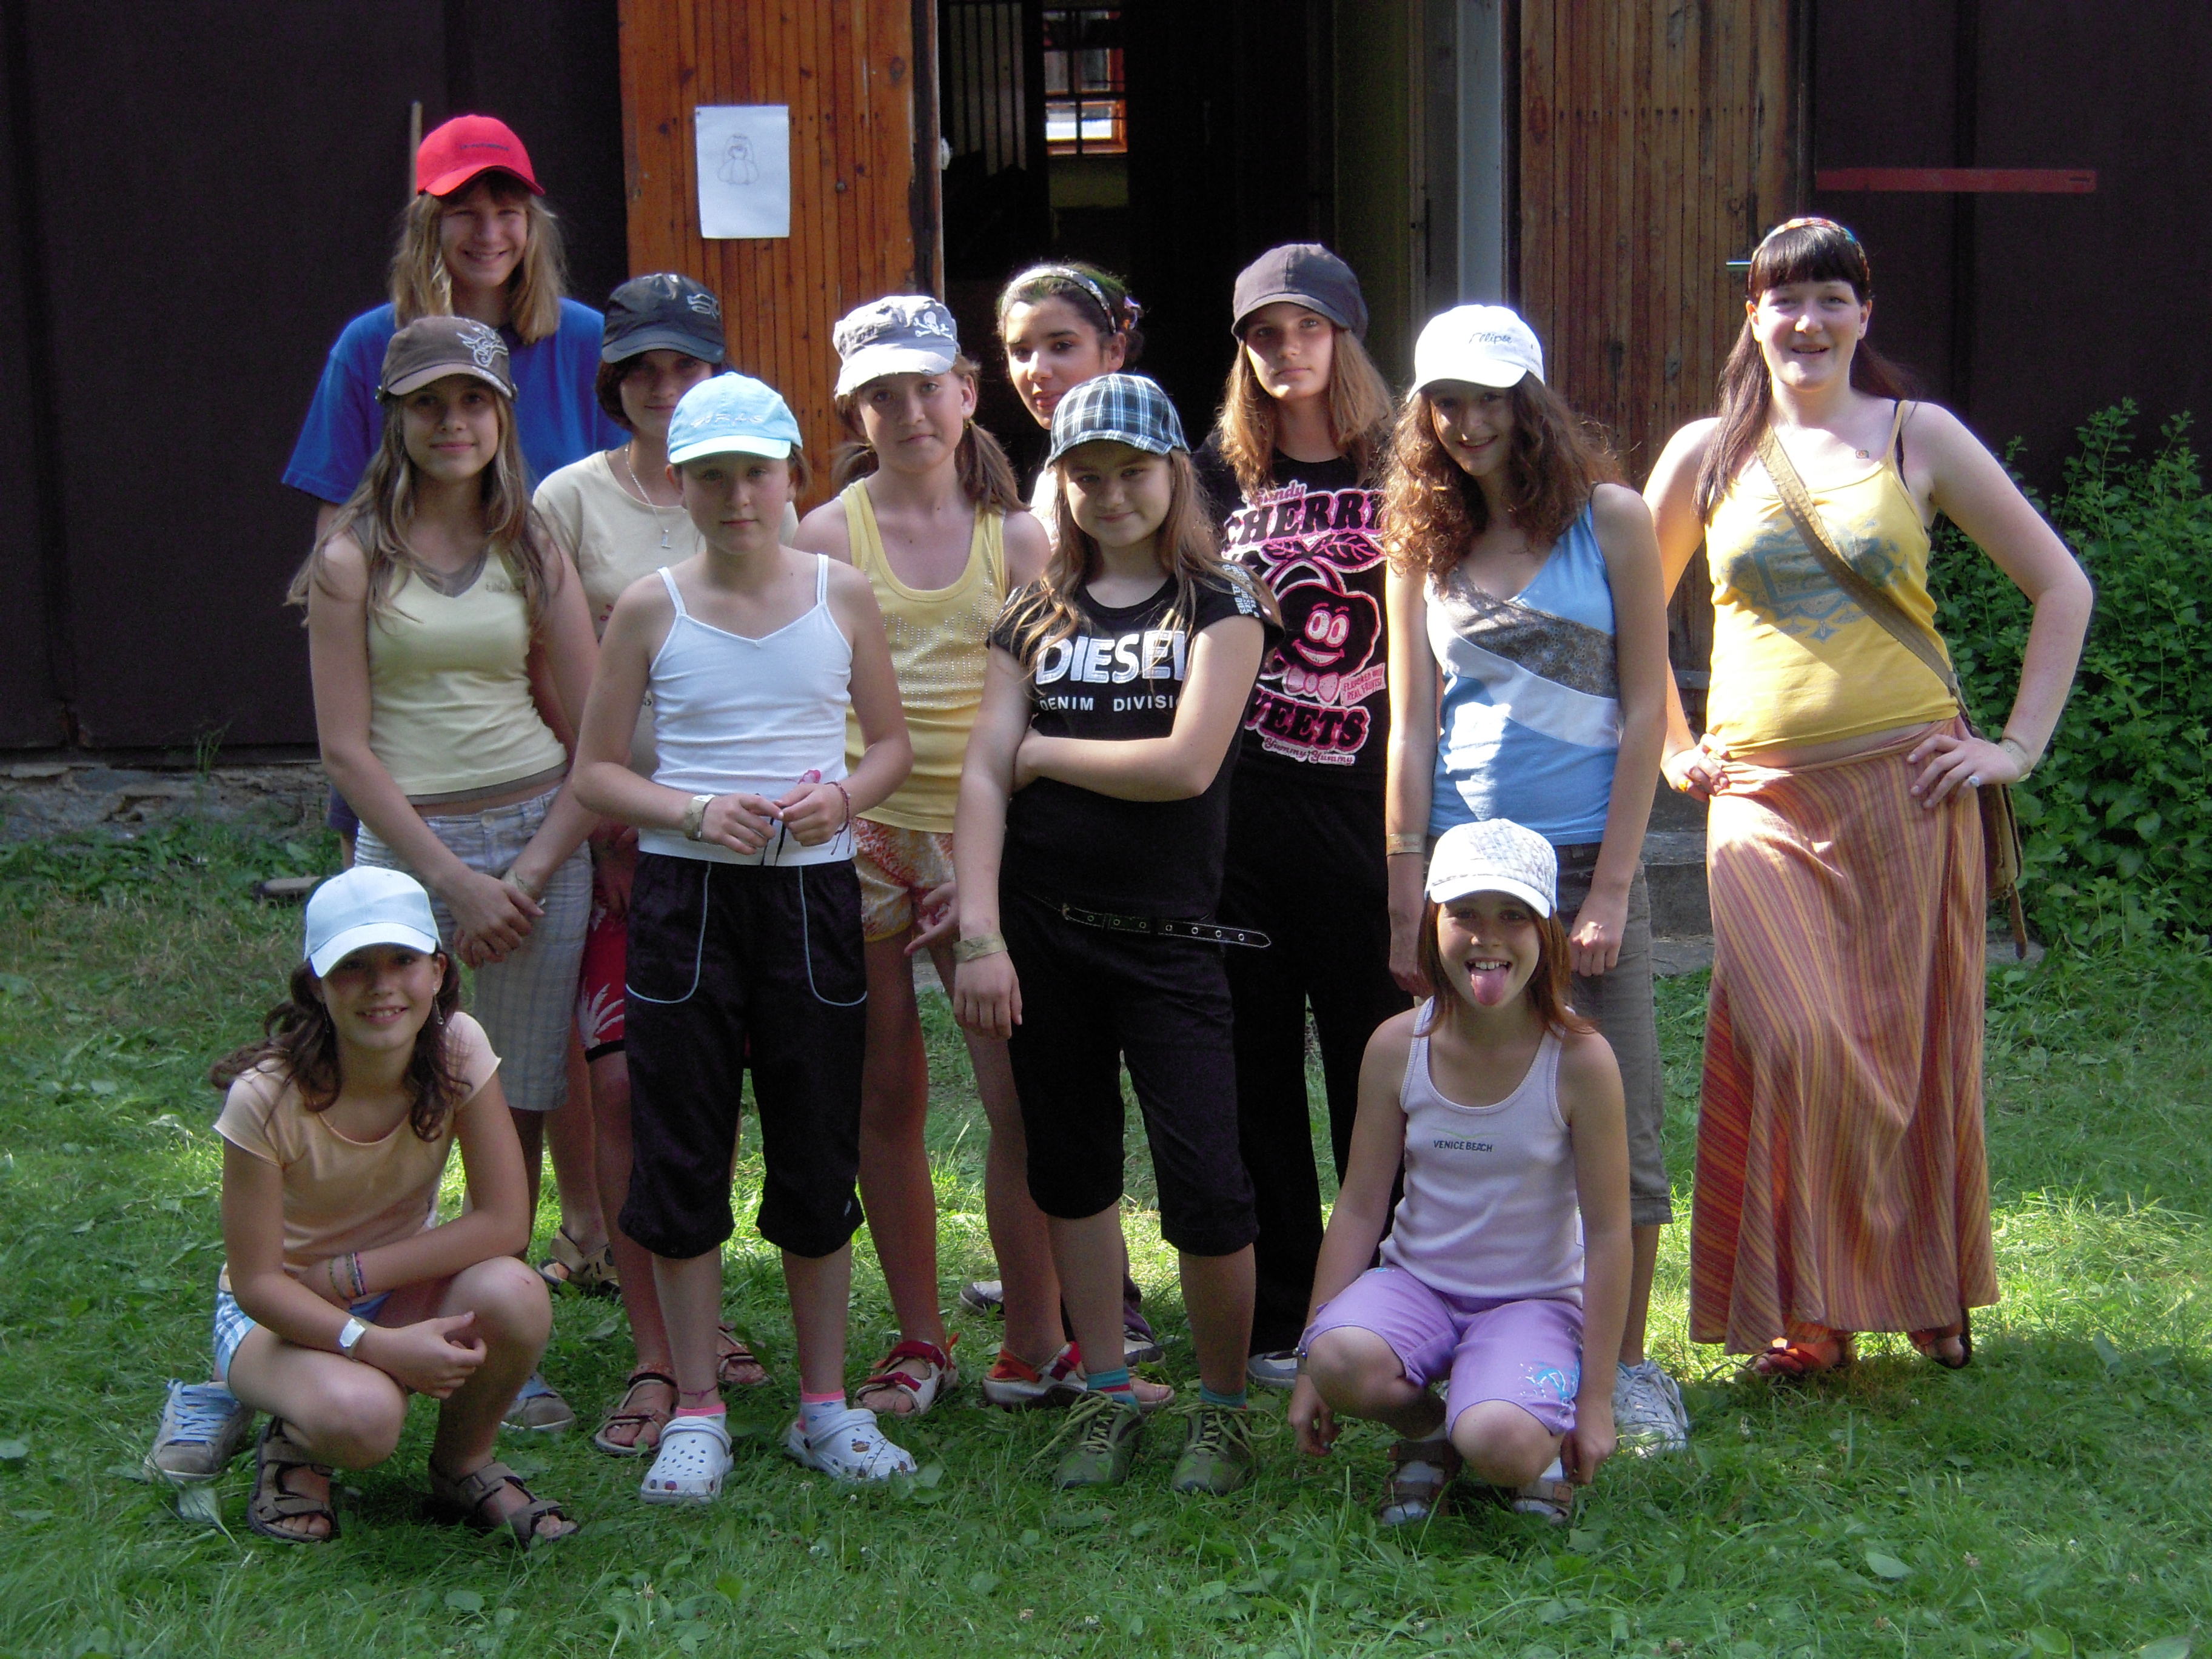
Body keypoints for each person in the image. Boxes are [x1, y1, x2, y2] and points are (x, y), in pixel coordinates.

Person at [1641, 218, 2090, 1374]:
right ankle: (1807, 1300)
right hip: (1759, 796)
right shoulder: (1704, 454)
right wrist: (1670, 749)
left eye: (1830, 298)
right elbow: (1627, 610)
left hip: (1909, 788)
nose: (1807, 321)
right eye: (1784, 300)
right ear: (1751, 316)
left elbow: (2060, 587)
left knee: (1908, 1055)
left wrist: (2014, 747)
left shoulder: (1914, 435)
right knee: (1795, 1038)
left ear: (1862, 314)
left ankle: (1911, 1289)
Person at [283, 110, 620, 1324]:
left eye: (505, 205)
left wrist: (534, 856)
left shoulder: (575, 365)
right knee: (399, 1062)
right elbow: (346, 728)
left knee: (524, 1071)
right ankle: (377, 1284)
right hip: (414, 798)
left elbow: (592, 702)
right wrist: (446, 873)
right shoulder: (367, 376)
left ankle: (540, 1260)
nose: (487, 228)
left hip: (539, 784)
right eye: (462, 207)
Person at [571, 374, 918, 1496]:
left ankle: (823, 1406)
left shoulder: (841, 594)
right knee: (680, 1143)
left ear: (792, 478)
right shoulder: (649, 606)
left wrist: (844, 799)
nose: (735, 498)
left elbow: (890, 748)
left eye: (755, 474)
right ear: (679, 486)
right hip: (688, 902)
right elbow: (597, 771)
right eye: (710, 476)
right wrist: (689, 811)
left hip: (811, 903)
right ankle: (697, 1407)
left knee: (817, 1144)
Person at [951, 374, 1282, 1493]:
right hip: (1044, 936)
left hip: (1173, 940)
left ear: (1174, 474)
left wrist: (1043, 752)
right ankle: (1105, 1390)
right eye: (1085, 476)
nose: (1109, 494)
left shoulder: (1222, 604)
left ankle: (1223, 1409)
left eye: (1132, 472)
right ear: (1059, 484)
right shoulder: (1032, 612)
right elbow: (979, 779)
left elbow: (1185, 764)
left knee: (1207, 1178)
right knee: (1072, 1168)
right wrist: (979, 933)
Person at [1380, 305, 1687, 1450]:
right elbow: (1412, 726)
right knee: (1469, 1111)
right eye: (1446, 403)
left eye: (1490, 399)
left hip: (1583, 865)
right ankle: (1473, 1338)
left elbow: (1647, 711)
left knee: (1623, 1117)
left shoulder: (1611, 520)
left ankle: (1627, 1366)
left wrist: (1608, 890)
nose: (1468, 423)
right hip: (1467, 878)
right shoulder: (1420, 541)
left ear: (1532, 402)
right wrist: (1406, 888)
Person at [534, 273, 799, 1453]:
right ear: (614, 380)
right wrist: (606, 824)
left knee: (716, 1081)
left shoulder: (752, 489)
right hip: (622, 835)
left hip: (742, 848)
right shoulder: (568, 500)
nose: (663, 385)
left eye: (685, 365)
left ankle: (707, 1317)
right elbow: (548, 664)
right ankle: (655, 1348)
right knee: (624, 1088)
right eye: (642, 367)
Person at [791, 297, 1059, 1416]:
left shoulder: (1020, 538)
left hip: (985, 841)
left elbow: (1045, 702)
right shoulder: (824, 536)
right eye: (882, 395)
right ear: (853, 411)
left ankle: (1035, 1340)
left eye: (926, 388)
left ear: (966, 392)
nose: (910, 413)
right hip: (860, 838)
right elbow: (803, 700)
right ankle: (918, 1339)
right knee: (886, 1095)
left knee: (1020, 1097)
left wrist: (988, 864)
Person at [206, 866, 577, 1546]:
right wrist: (376, 1345)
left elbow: (505, 1221)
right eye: (353, 966)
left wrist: (352, 1276)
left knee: (517, 1293)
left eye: (402, 960)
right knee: (367, 1420)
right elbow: (257, 1284)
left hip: (385, 1285)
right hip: (277, 1314)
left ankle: (464, 1464)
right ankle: (293, 1441)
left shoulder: (458, 1047)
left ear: (437, 972)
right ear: (316, 985)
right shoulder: (263, 1098)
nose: (381, 986)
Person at [1192, 244, 1407, 1390]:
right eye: (1264, 335)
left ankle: (1389, 1301)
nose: (1285, 351)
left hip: (1369, 805)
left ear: (1344, 335)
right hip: (1249, 814)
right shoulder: (1213, 474)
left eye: (1306, 328)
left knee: (1377, 1059)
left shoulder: (1407, 461)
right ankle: (1280, 1311)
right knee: (1255, 1067)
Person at [1287, 820, 1630, 1527]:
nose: (1487, 937)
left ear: (1548, 932)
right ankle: (1429, 1433)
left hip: (1533, 1301)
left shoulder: (1580, 1061)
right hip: (1418, 1287)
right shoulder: (1397, 1046)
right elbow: (1359, 1207)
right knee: (1338, 1356)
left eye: (1513, 916)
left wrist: (1597, 1399)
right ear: (1433, 925)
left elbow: (1608, 1234)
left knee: (1500, 1443)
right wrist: (1307, 1365)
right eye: (1465, 914)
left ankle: (1517, 1430)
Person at [984, 260, 1164, 1367]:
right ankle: (1066, 1288)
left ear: (1114, 347)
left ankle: (1117, 1293)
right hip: (1027, 839)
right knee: (1049, 1090)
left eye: (1062, 344)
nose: (1039, 368)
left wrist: (1035, 758)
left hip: (1142, 848)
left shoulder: (1145, 484)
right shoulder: (1025, 502)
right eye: (1021, 350)